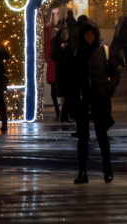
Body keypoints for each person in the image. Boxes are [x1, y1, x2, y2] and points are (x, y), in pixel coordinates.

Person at [69, 23, 121, 184]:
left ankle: (107, 168)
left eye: (92, 34)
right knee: (83, 137)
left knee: (102, 135)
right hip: (83, 100)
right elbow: (72, 77)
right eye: (86, 35)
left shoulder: (104, 51)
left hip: (100, 98)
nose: (89, 37)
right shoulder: (78, 52)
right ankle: (82, 172)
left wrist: (108, 89)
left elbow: (115, 73)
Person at [51, 22, 72, 123]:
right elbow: (53, 56)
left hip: (69, 72)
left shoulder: (70, 44)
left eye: (67, 34)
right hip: (61, 72)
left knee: (68, 95)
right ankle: (63, 116)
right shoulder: (56, 43)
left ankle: (64, 116)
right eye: (63, 33)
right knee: (65, 94)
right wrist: (61, 50)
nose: (65, 36)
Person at [43, 19, 59, 120]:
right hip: (56, 68)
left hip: (53, 68)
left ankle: (57, 108)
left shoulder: (50, 44)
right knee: (55, 89)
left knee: (54, 89)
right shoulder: (53, 44)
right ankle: (58, 108)